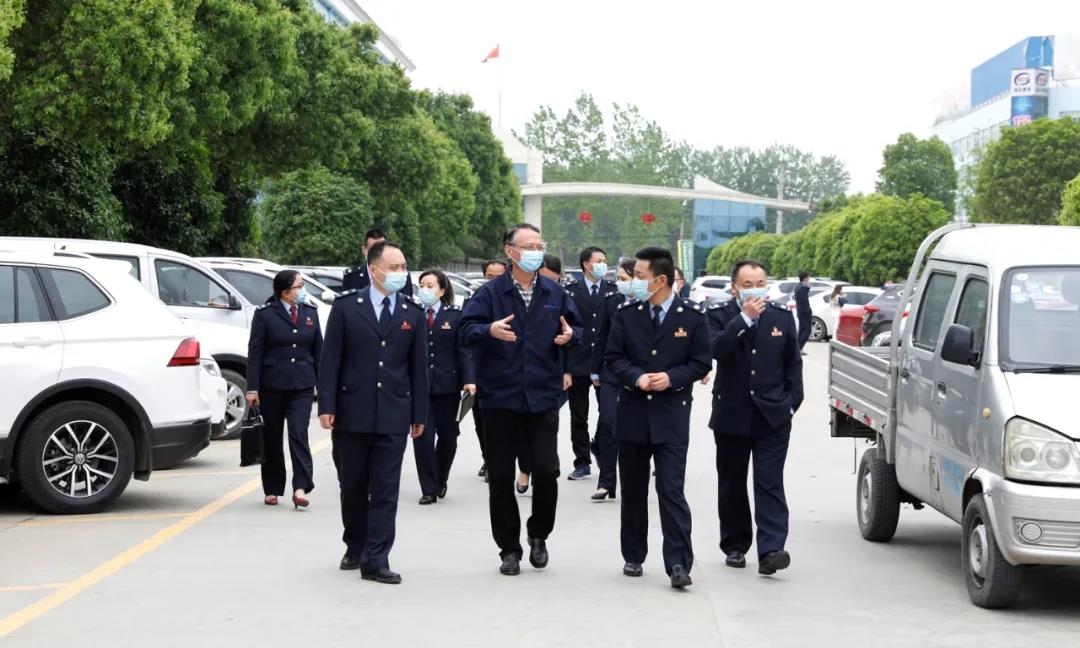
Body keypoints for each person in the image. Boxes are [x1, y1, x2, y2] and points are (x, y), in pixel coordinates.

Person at [461, 223, 583, 576]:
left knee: (546, 471)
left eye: (540, 244)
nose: (536, 250)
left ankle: (539, 534)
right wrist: (489, 330)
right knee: (500, 477)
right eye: (529, 245)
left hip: (543, 397)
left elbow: (579, 331)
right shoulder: (490, 293)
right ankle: (509, 549)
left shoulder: (554, 293)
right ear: (510, 251)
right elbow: (466, 330)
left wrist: (571, 336)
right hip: (500, 399)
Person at [318, 241, 428, 585]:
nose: (401, 273)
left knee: (385, 488)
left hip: (395, 412)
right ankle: (355, 543)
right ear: (373, 270)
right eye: (394, 268)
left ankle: (376, 557)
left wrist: (419, 414)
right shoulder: (348, 307)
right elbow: (331, 360)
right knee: (352, 484)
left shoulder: (411, 311)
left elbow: (418, 367)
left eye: (403, 267)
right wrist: (327, 406)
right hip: (352, 411)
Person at [604, 247, 711, 589]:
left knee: (671, 490)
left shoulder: (692, 316)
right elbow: (613, 358)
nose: (634, 282)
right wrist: (636, 376)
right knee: (633, 490)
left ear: (660, 280)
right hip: (633, 413)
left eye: (639, 276)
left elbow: (700, 362)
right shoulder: (627, 314)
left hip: (670, 417)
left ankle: (679, 562)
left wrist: (672, 378)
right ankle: (633, 554)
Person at [707, 259, 803, 577]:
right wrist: (744, 319)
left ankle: (772, 549)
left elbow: (792, 365)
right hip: (731, 414)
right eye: (747, 284)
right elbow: (715, 350)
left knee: (769, 482)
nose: (755, 289)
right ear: (734, 287)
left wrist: (790, 404)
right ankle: (735, 546)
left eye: (760, 282)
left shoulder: (780, 316)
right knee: (732, 483)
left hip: (772, 417)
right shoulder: (719, 315)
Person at [246, 270, 323, 508]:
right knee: (272, 437)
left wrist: (326, 389)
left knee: (299, 434)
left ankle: (300, 487)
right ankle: (272, 488)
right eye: (299, 286)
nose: (303, 290)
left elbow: (318, 351)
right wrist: (252, 388)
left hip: (302, 385)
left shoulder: (310, 313)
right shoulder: (265, 315)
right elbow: (255, 353)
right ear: (285, 292)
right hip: (272, 386)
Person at [412, 270, 476, 505]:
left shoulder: (455, 316)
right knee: (423, 438)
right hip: (419, 387)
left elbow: (464, 351)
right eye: (422, 285)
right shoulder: (412, 314)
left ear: (441, 290)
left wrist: (470, 379)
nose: (425, 289)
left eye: (430, 285)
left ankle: (440, 478)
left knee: (449, 438)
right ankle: (428, 488)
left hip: (448, 386)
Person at [563, 247, 617, 482]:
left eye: (605, 261)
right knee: (578, 416)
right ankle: (582, 462)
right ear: (586, 265)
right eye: (599, 261)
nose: (603, 264)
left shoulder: (613, 292)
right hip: (577, 361)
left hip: (605, 363)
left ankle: (599, 446)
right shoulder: (570, 292)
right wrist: (565, 367)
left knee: (608, 415)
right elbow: (564, 328)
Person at [589, 257, 635, 502]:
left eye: (625, 279)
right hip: (610, 373)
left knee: (632, 429)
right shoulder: (611, 302)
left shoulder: (649, 303)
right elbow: (602, 337)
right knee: (608, 422)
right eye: (618, 279)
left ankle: (630, 480)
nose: (620, 283)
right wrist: (595, 370)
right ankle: (606, 482)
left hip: (639, 375)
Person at [475, 260, 509, 481]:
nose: (494, 280)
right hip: (484, 371)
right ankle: (489, 459)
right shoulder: (479, 298)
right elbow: (465, 334)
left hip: (511, 372)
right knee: (483, 423)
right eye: (490, 276)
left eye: (499, 276)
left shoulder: (516, 298)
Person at [341, 228, 414, 297]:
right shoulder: (352, 276)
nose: (377, 253)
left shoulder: (400, 275)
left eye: (381, 248)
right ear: (364, 250)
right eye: (372, 248)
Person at [793, 271, 812, 353]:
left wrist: (807, 287)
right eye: (808, 277)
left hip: (800, 312)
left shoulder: (798, 286)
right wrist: (808, 311)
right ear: (804, 278)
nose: (809, 279)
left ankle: (797, 348)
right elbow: (803, 301)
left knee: (801, 330)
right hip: (804, 313)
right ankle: (799, 348)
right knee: (807, 330)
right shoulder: (802, 288)